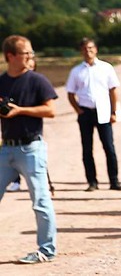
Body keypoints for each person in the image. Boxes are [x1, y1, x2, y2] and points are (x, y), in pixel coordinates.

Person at [0, 35, 58, 264]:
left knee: (40, 200)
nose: (31, 57)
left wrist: (20, 110)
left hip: (31, 148)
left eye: (31, 53)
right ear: (10, 57)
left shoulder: (37, 80)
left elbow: (50, 110)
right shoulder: (1, 81)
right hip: (6, 149)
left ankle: (46, 249)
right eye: (27, 53)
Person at [66, 38, 121, 192]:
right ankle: (92, 182)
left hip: (104, 110)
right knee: (87, 148)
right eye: (85, 48)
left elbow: (113, 91)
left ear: (96, 49)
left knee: (109, 147)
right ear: (81, 51)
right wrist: (78, 110)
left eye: (91, 48)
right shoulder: (76, 71)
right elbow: (70, 93)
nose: (88, 51)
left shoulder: (106, 68)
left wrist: (113, 111)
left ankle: (114, 181)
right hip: (85, 111)